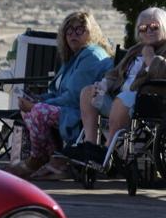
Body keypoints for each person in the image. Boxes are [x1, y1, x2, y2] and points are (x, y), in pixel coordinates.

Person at [6, 10, 113, 179]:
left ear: (91, 32)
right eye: (68, 30)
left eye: (80, 30)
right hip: (69, 107)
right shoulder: (74, 58)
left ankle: (39, 159)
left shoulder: (91, 56)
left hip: (82, 112)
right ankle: (55, 159)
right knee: (29, 108)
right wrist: (39, 99)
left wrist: (37, 105)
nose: (73, 35)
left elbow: (73, 97)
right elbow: (58, 91)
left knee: (38, 111)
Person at [75, 7, 166, 160]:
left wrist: (150, 58)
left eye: (154, 27)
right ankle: (90, 145)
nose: (149, 31)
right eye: (143, 28)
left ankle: (107, 152)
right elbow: (115, 72)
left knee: (123, 99)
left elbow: (162, 75)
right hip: (119, 100)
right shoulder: (135, 50)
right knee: (87, 92)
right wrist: (105, 84)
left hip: (147, 103)